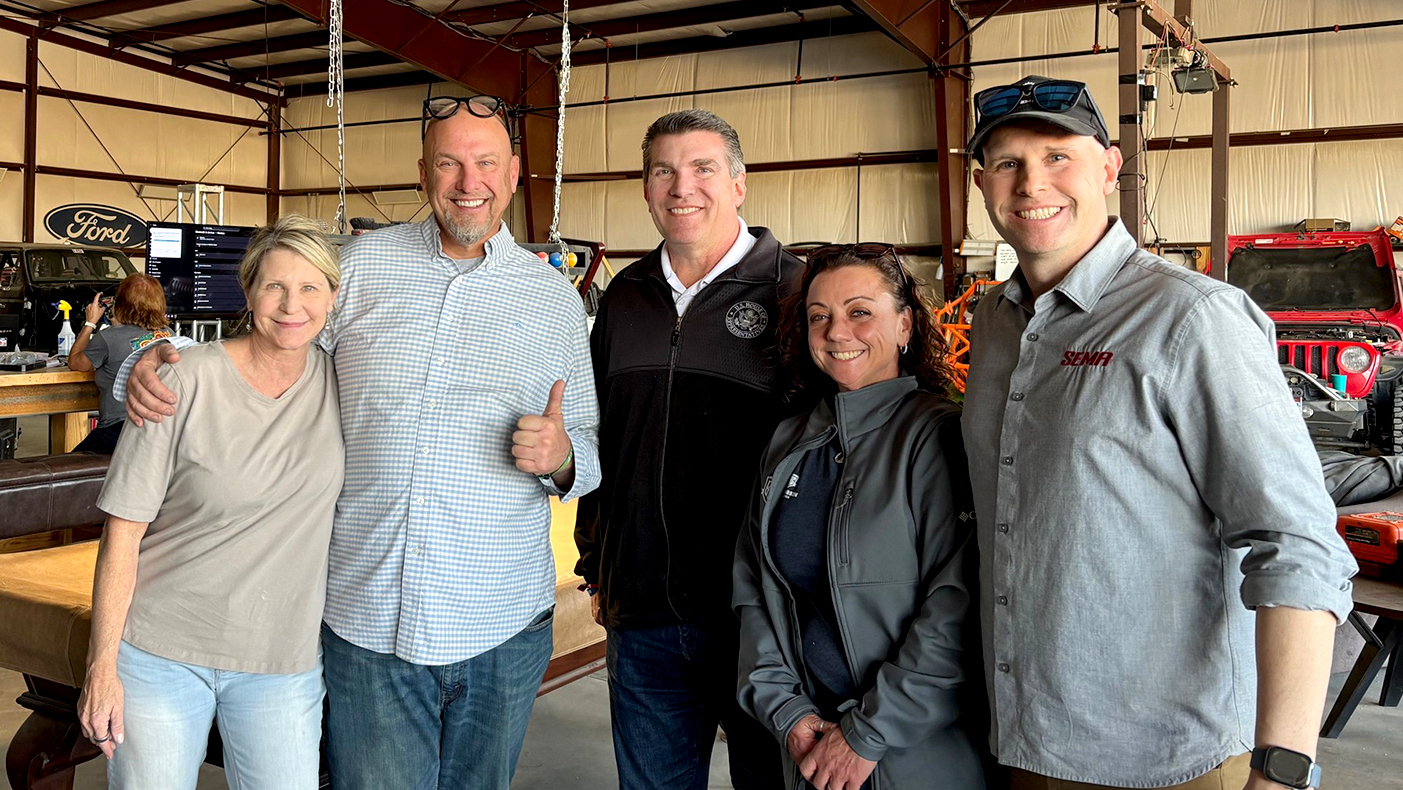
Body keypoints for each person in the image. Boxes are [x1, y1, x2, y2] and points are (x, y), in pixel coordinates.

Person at [120, 96, 601, 790]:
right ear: (422, 172)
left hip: (499, 625)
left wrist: (560, 458)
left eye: (486, 162)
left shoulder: (553, 301)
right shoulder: (361, 270)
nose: (469, 180)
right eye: (449, 162)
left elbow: (587, 446)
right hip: (367, 625)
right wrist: (166, 361)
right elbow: (273, 348)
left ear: (516, 172)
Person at [962, 75, 1358, 789]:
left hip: (1168, 757)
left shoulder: (1192, 319)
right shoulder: (994, 323)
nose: (1031, 184)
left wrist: (1283, 769)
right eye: (1008, 162)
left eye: (1058, 157)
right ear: (983, 181)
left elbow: (1297, 543)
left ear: (1111, 169)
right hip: (1027, 736)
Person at [573, 108, 801, 790]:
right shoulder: (623, 299)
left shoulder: (795, 291)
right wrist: (596, 559)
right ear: (645, 189)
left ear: (738, 185)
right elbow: (598, 431)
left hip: (760, 619)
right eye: (663, 171)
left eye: (702, 169)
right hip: (642, 608)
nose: (682, 187)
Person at [76, 215, 343, 789]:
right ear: (247, 292)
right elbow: (122, 532)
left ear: (332, 297)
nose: (291, 303)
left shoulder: (347, 384)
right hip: (160, 653)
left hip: (281, 664)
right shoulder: (182, 379)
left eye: (309, 287)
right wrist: (102, 667)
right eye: (274, 285)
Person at [734, 244, 986, 790]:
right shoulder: (789, 441)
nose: (836, 332)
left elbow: (958, 606)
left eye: (859, 312)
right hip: (809, 752)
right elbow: (754, 591)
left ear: (904, 326)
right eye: (818, 316)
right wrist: (789, 715)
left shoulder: (937, 436)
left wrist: (868, 734)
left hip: (913, 755)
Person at [66, 274, 171, 454]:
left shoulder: (108, 338)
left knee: (69, 468)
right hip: (158, 430)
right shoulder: (168, 334)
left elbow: (75, 363)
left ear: (119, 304)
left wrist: (90, 322)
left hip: (117, 432)